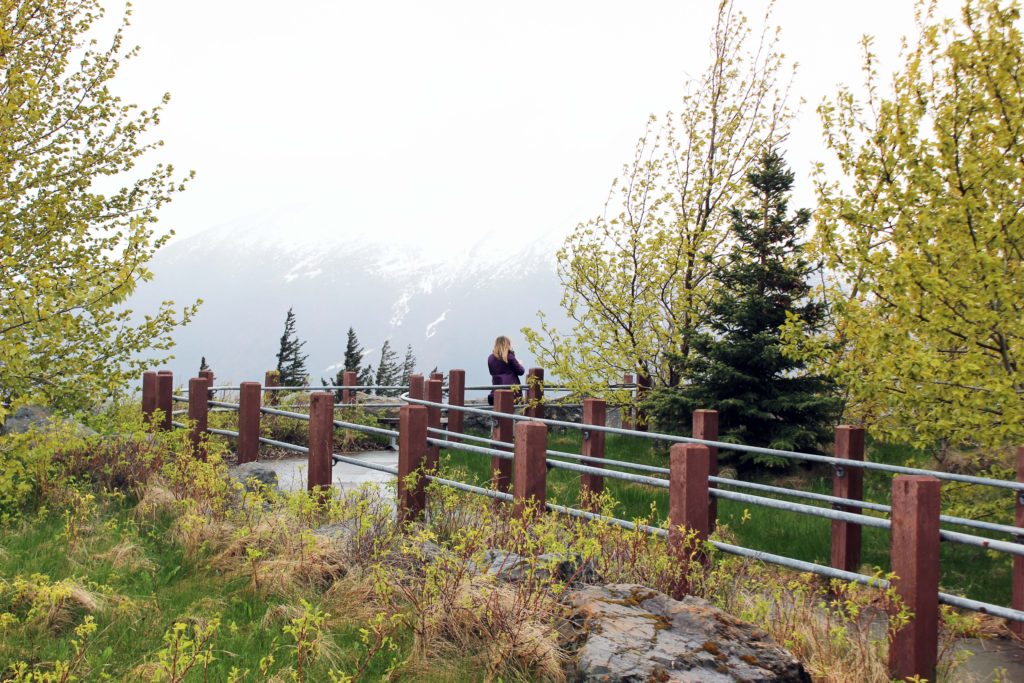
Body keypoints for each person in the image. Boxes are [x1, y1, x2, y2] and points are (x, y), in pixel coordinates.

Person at [487, 335, 525, 405]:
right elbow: (521, 371)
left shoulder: (490, 358)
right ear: (507, 345)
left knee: (498, 414)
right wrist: (520, 364)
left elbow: (491, 372)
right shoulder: (509, 357)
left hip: (495, 393)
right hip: (512, 393)